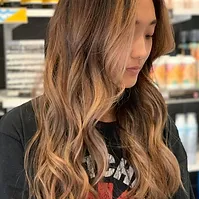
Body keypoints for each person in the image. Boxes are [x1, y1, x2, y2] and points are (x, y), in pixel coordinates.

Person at [0, 0, 195, 198]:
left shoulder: (156, 127)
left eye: (148, 35)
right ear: (83, 33)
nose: (142, 52)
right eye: (126, 34)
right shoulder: (20, 131)